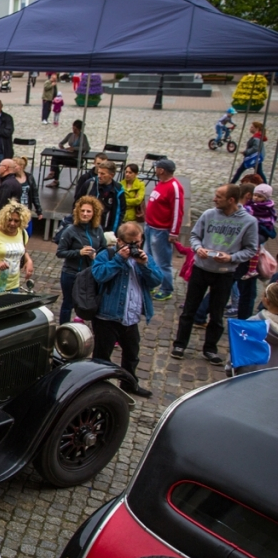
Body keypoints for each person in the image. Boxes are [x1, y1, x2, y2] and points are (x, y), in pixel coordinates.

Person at [172, 184, 259, 365]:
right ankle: (180, 344)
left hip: (224, 273)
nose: (214, 199)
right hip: (201, 268)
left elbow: (251, 249)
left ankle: (210, 348)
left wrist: (231, 257)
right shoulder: (208, 215)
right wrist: (198, 248)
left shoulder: (249, 222)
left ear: (231, 200)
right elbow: (195, 236)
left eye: (219, 196)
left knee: (217, 314)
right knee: (189, 309)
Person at [88, 221, 161, 398]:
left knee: (131, 354)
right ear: (120, 241)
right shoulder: (107, 254)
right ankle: (98, 386)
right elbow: (99, 275)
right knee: (102, 355)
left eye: (139, 242)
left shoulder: (143, 258)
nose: (136, 246)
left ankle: (129, 383)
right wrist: (119, 259)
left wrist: (144, 265)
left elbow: (157, 280)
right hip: (107, 317)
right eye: (132, 243)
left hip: (131, 317)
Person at [57, 196, 107, 324]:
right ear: (77, 212)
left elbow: (104, 248)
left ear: (94, 213)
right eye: (82, 210)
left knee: (90, 302)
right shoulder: (70, 230)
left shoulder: (98, 229)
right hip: (70, 273)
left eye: (88, 211)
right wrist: (79, 252)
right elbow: (60, 252)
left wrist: (95, 255)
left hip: (89, 274)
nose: (85, 214)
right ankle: (63, 329)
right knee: (68, 303)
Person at [143, 159, 185, 302]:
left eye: (157, 167)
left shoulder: (174, 187)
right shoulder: (161, 183)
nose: (155, 170)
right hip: (150, 227)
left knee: (162, 262)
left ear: (162, 170)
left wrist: (174, 232)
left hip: (161, 230)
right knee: (148, 258)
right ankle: (151, 283)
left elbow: (177, 211)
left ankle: (166, 288)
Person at [74, 161, 124, 234]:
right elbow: (77, 203)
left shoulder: (118, 190)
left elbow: (119, 213)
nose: (99, 176)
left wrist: (113, 232)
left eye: (102, 174)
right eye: (98, 173)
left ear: (111, 175)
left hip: (105, 229)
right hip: (86, 228)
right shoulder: (90, 184)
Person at [45, 120, 90, 187]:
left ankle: (55, 179)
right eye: (73, 128)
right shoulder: (70, 135)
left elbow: (87, 148)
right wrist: (61, 147)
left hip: (76, 159)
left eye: (76, 129)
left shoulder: (83, 137)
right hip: (68, 155)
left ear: (80, 129)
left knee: (56, 161)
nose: (74, 131)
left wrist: (74, 148)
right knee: (55, 157)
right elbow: (61, 143)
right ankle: (53, 173)